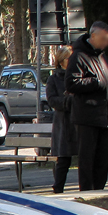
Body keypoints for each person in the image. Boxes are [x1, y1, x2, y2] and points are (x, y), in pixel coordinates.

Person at [65, 21, 108, 191]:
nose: (106, 43)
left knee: (103, 157)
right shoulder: (78, 56)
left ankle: (99, 189)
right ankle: (87, 191)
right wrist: (96, 82)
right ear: (93, 36)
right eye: (103, 39)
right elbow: (71, 84)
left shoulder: (102, 55)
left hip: (104, 114)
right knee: (88, 158)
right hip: (87, 115)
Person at [45, 45, 76, 193]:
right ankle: (58, 187)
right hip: (64, 122)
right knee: (64, 158)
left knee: (84, 156)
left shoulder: (77, 76)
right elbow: (52, 100)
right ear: (61, 61)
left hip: (78, 120)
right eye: (69, 59)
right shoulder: (54, 79)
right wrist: (67, 101)